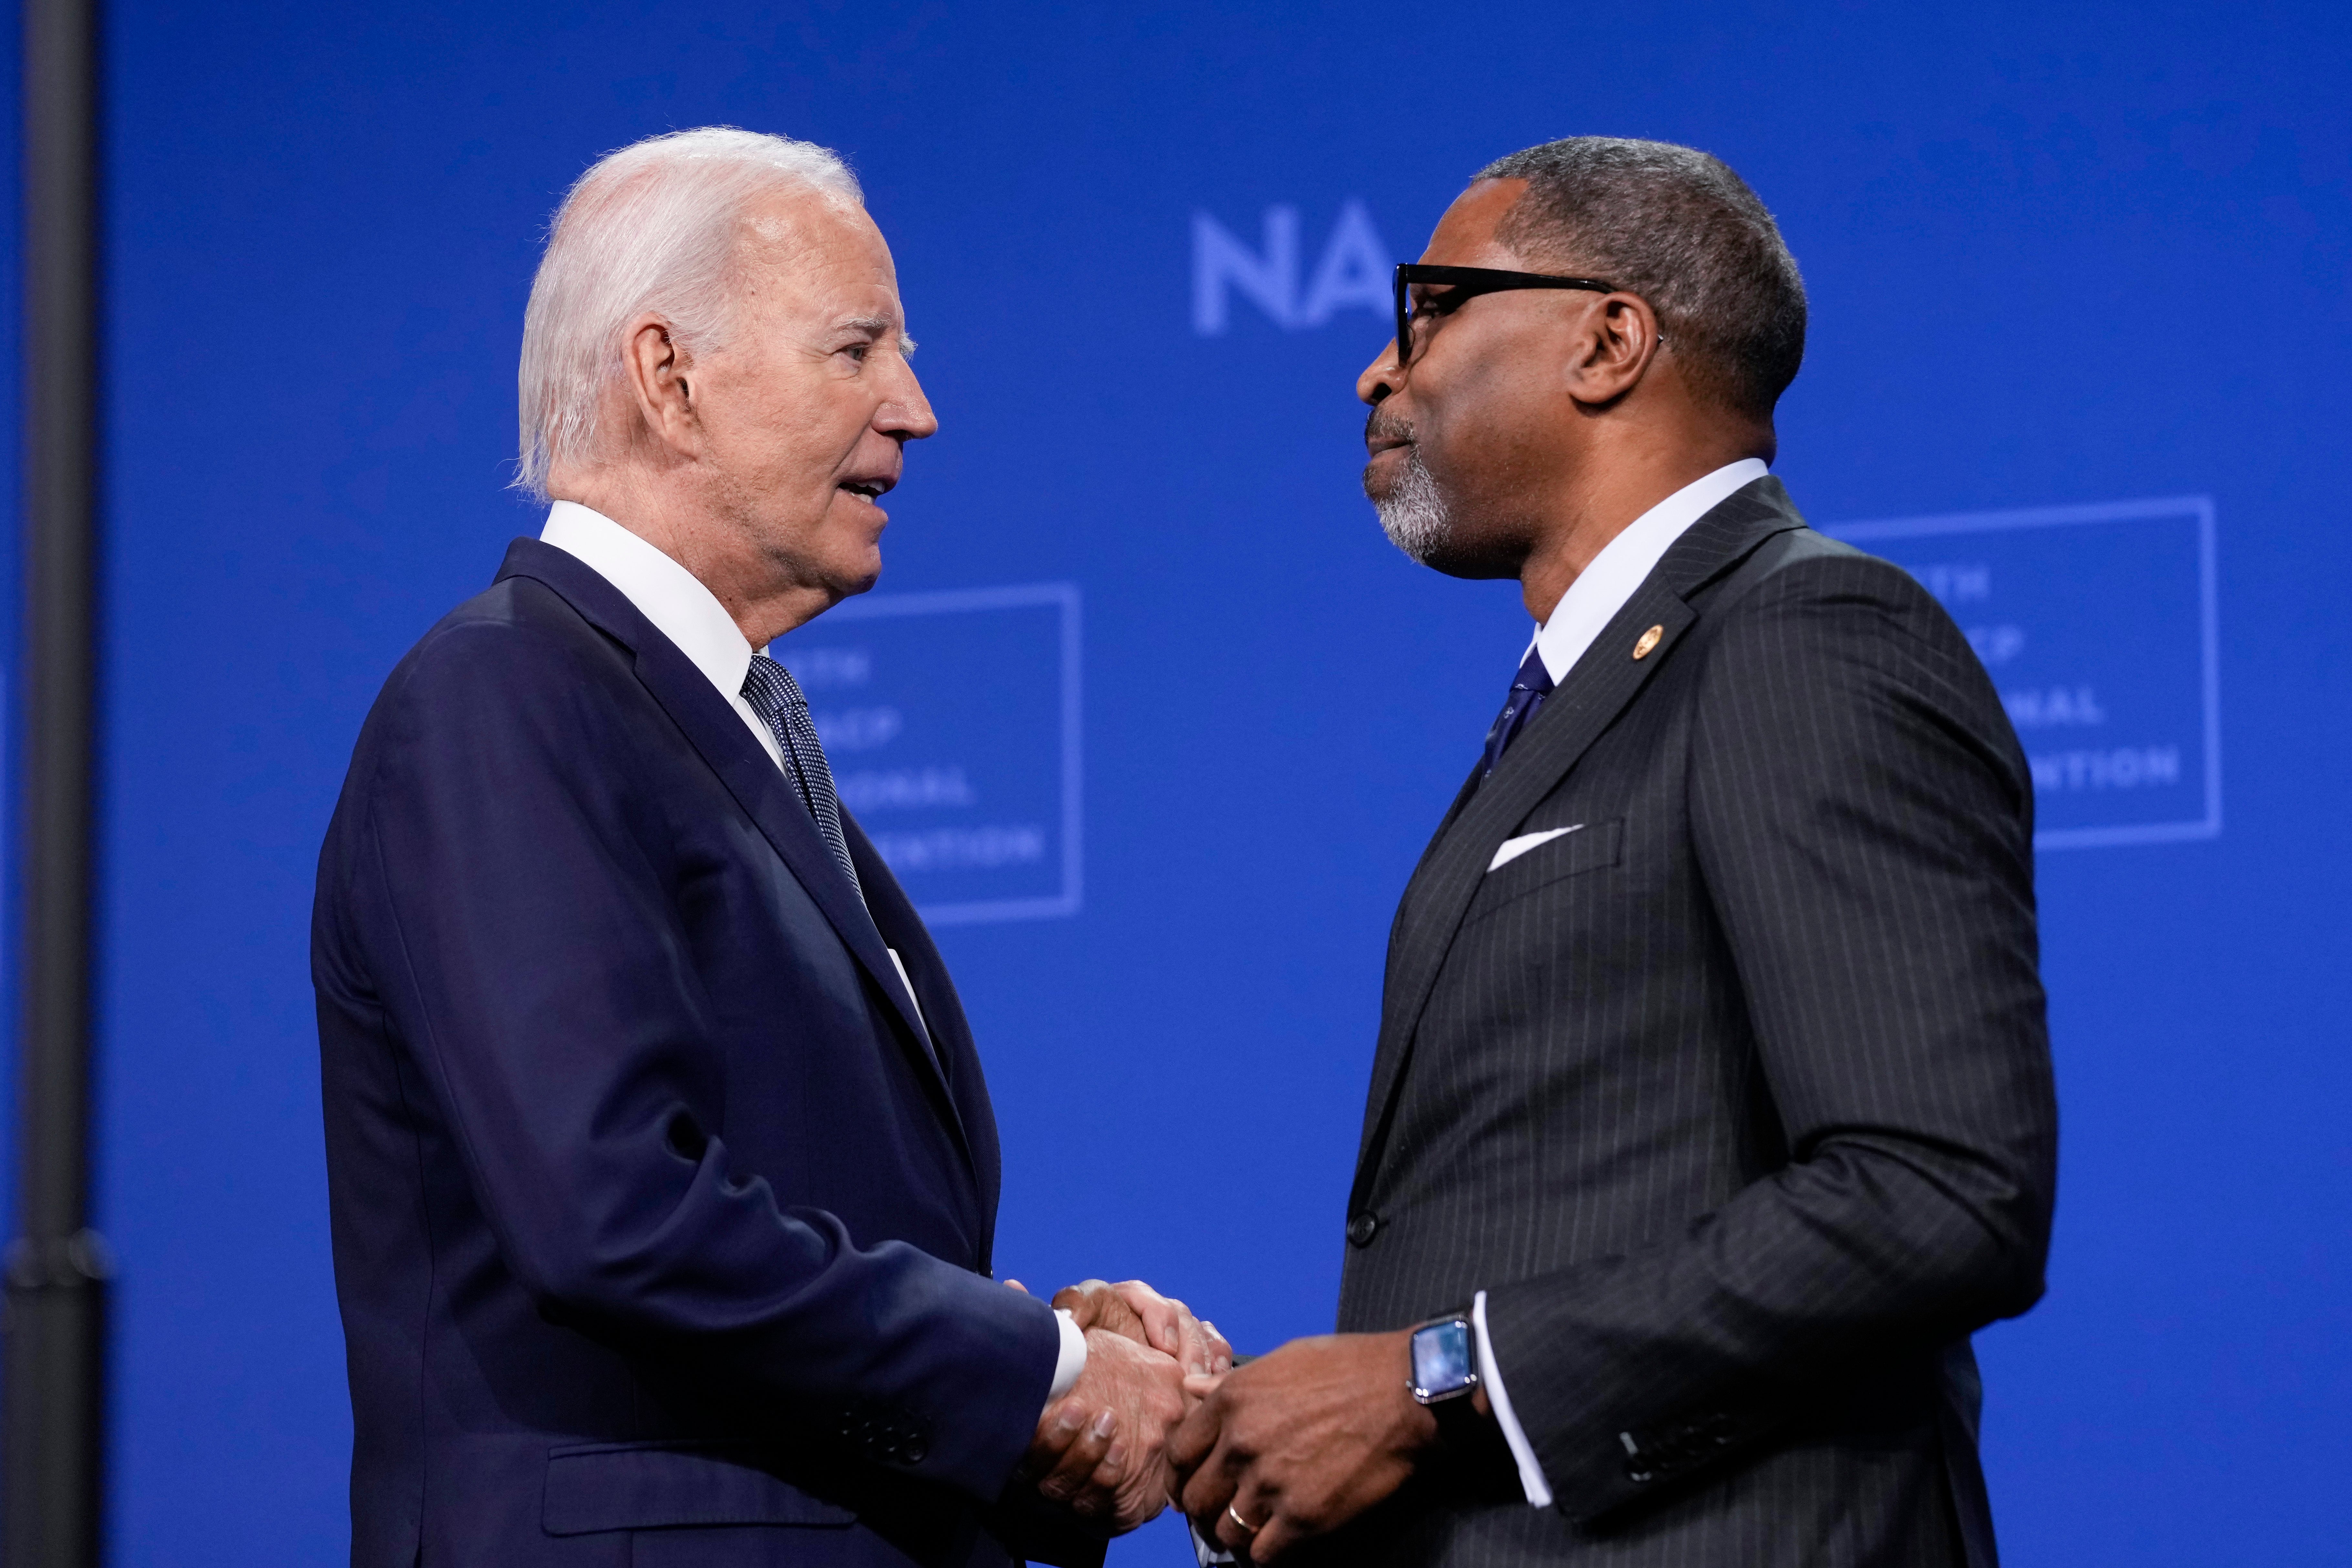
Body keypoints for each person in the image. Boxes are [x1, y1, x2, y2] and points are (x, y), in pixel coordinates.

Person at [312, 128, 1223, 1568]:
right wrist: (1038, 1375)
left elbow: (782, 1216)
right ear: (668, 377)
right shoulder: (504, 696)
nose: (915, 408)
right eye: (857, 350)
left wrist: (1024, 1362)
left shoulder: (716, 720)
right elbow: (614, 1214)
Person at [1171, 137, 2058, 1567]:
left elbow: (1938, 1191)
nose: (1378, 372)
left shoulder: (1805, 636)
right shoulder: (1581, 698)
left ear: (1608, 339)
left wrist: (1440, 1377)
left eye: (1432, 309)